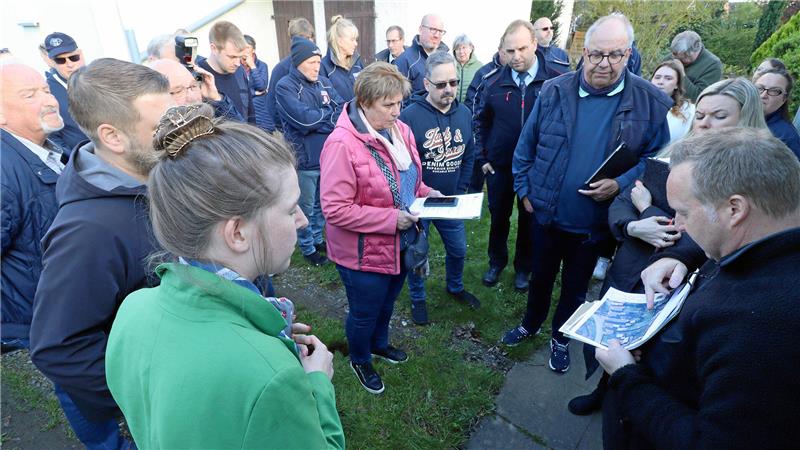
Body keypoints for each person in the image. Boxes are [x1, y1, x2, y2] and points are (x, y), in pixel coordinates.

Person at [105, 104, 345, 449]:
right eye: (291, 208)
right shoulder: (273, 378)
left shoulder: (133, 308)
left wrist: (251, 332)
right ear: (237, 233)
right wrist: (318, 384)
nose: (304, 220)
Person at [568, 76, 769, 416]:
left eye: (719, 116)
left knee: (650, 354)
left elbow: (694, 230)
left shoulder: (748, 178)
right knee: (612, 340)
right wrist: (633, 223)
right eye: (701, 114)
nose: (705, 123)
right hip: (631, 265)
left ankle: (634, 406)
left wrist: (648, 210)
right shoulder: (672, 153)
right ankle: (603, 390)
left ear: (746, 120)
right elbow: (625, 197)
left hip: (673, 282)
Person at [597, 127, 800, 449]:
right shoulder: (763, 243)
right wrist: (680, 256)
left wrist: (626, 376)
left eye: (684, 212)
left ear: (735, 209)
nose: (677, 224)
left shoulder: (761, 327)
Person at [504, 14, 671, 374]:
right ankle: (530, 324)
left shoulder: (648, 102)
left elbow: (654, 161)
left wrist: (620, 183)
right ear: (584, 52)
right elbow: (526, 146)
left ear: (629, 54)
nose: (604, 64)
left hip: (593, 224)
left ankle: (560, 338)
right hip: (546, 213)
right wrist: (523, 190)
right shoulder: (554, 91)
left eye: (615, 56)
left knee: (575, 289)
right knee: (540, 277)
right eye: (596, 55)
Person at [29, 59, 173, 450]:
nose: (174, 132)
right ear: (113, 137)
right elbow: (59, 346)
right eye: (160, 126)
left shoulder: (154, 172)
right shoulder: (87, 232)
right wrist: (151, 399)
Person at [320, 62, 441, 394]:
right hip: (361, 253)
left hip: (399, 243)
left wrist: (429, 194)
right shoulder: (341, 144)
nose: (397, 111)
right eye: (388, 105)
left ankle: (379, 344)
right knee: (364, 311)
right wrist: (391, 220)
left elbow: (408, 183)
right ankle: (360, 358)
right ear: (364, 102)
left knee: (387, 303)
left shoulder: (400, 131)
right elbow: (334, 209)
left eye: (399, 102)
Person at [475, 19, 561, 292]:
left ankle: (524, 267)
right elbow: (479, 121)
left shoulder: (555, 80)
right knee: (498, 217)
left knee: (529, 219)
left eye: (522, 49)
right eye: (510, 51)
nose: (516, 56)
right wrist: (483, 156)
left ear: (535, 44)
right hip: (500, 166)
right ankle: (496, 262)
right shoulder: (492, 83)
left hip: (537, 168)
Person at [399, 51, 479, 324]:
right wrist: (412, 196)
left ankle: (454, 287)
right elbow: (404, 162)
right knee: (418, 252)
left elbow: (469, 153)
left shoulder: (465, 113)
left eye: (453, 83)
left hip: (450, 199)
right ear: (426, 84)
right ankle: (418, 298)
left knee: (458, 249)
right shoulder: (409, 116)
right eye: (441, 84)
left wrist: (462, 188)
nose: (449, 90)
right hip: (419, 201)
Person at [1, 63, 65, 353]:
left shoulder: (48, 149)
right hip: (46, 327)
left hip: (64, 315)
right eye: (30, 95)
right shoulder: (4, 171)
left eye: (46, 90)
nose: (50, 101)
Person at [277, 37, 344, 266]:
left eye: (318, 61)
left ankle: (317, 239)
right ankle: (307, 248)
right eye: (311, 62)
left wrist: (319, 118)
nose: (317, 66)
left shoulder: (324, 82)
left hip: (327, 158)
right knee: (305, 207)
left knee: (321, 205)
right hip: (304, 161)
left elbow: (342, 111)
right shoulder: (285, 86)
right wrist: (325, 115)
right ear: (298, 63)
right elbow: (303, 121)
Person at [196, 21, 255, 124]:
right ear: (214, 49)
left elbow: (250, 113)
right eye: (232, 57)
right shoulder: (198, 76)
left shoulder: (240, 71)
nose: (237, 63)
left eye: (240, 57)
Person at [148, 58, 242, 120]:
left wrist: (217, 99)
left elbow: (243, 137)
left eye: (193, 86)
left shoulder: (208, 117)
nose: (192, 97)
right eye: (178, 91)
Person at [42, 32, 88, 156]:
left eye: (73, 57)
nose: (69, 64)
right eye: (60, 60)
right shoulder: (47, 93)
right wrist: (77, 160)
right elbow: (53, 137)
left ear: (80, 54)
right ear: (52, 62)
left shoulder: (99, 78)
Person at [265, 17, 315, 132]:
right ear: (292, 41)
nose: (307, 42)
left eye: (309, 38)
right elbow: (272, 105)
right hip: (291, 133)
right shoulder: (281, 69)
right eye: (303, 38)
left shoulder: (317, 65)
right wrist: (285, 129)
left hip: (315, 129)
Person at [393, 14, 449, 93]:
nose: (437, 35)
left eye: (440, 31)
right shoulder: (404, 61)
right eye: (433, 29)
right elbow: (399, 100)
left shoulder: (447, 59)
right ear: (421, 29)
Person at [753, 68, 800, 158]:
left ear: (784, 99)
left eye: (774, 91)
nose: (763, 95)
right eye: (759, 88)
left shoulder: (786, 137)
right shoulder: (736, 118)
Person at [651, 59, 695, 144]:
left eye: (668, 78)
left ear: (677, 85)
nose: (661, 82)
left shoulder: (687, 110)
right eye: (657, 77)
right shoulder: (639, 104)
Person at [670, 30, 722, 101]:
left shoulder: (713, 65)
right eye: (677, 57)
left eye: (686, 57)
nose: (684, 61)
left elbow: (698, 98)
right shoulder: (671, 57)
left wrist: (681, 74)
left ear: (698, 49)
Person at [321, 15, 363, 101]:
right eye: (352, 40)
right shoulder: (323, 67)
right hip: (339, 114)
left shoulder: (357, 63)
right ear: (340, 41)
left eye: (356, 39)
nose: (356, 44)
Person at [242, 34, 270, 130]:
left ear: (253, 50)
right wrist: (254, 93)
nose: (244, 50)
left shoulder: (262, 66)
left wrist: (253, 66)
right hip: (245, 111)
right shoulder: (236, 67)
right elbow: (238, 90)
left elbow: (262, 86)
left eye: (247, 47)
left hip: (261, 112)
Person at [452, 34, 482, 103]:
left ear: (471, 49)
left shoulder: (479, 67)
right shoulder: (449, 65)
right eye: (458, 48)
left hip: (471, 109)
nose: (461, 52)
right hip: (451, 108)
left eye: (464, 48)